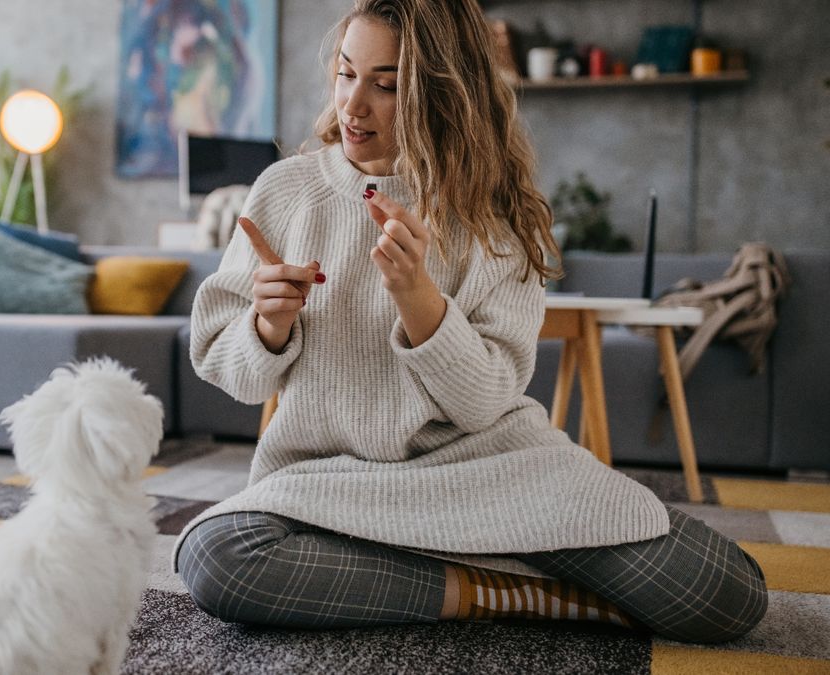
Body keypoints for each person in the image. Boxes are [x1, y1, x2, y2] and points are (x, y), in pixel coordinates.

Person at [174, 0, 767, 644]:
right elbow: (227, 369)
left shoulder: (494, 214)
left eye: (386, 84)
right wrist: (268, 326)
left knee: (727, 594)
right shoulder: (284, 192)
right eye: (346, 74)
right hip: (333, 485)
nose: (353, 105)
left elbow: (485, 402)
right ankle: (503, 593)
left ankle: (452, 576)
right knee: (217, 557)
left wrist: (419, 298)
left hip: (494, 475)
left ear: (442, 95)